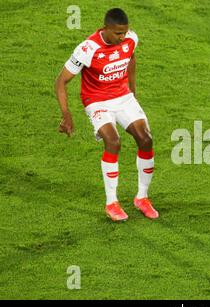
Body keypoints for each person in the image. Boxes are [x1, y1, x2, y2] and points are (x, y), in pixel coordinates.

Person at [55, 8, 158, 222]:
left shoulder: (130, 39)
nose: (123, 37)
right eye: (118, 34)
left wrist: (132, 91)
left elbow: (130, 58)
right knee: (113, 141)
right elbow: (61, 81)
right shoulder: (88, 49)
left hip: (123, 97)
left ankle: (142, 198)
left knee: (146, 139)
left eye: (125, 32)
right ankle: (111, 203)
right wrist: (66, 114)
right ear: (106, 29)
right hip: (97, 101)